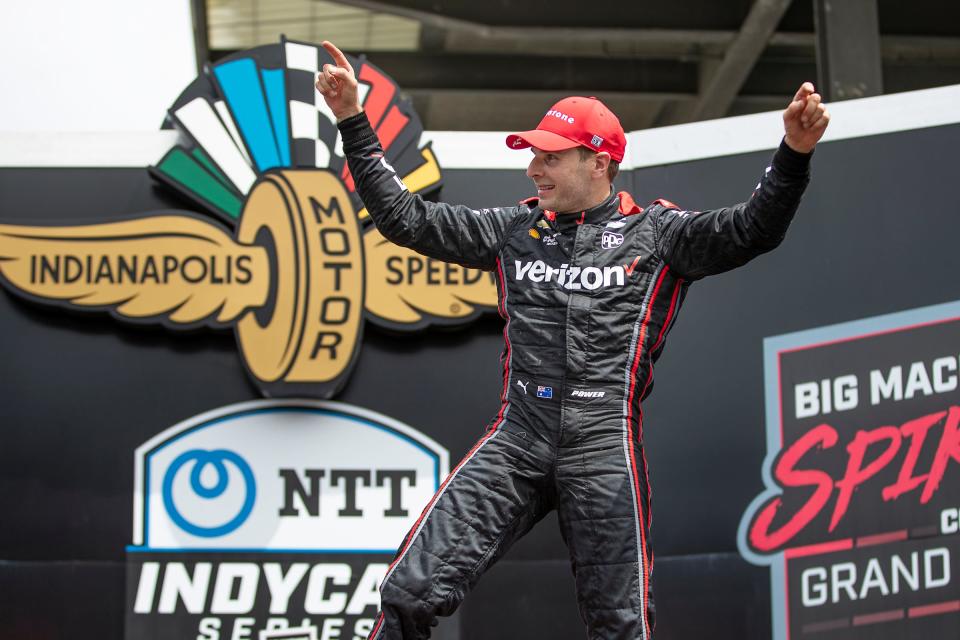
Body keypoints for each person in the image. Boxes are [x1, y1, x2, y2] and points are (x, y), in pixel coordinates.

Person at [315, 40, 829, 640]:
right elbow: (405, 218)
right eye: (534, 155)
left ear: (600, 162)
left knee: (621, 626)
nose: (535, 168)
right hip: (519, 437)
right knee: (408, 592)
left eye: (552, 157)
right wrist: (353, 118)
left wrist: (793, 153)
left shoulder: (660, 234)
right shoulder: (513, 229)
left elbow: (753, 229)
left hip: (603, 446)